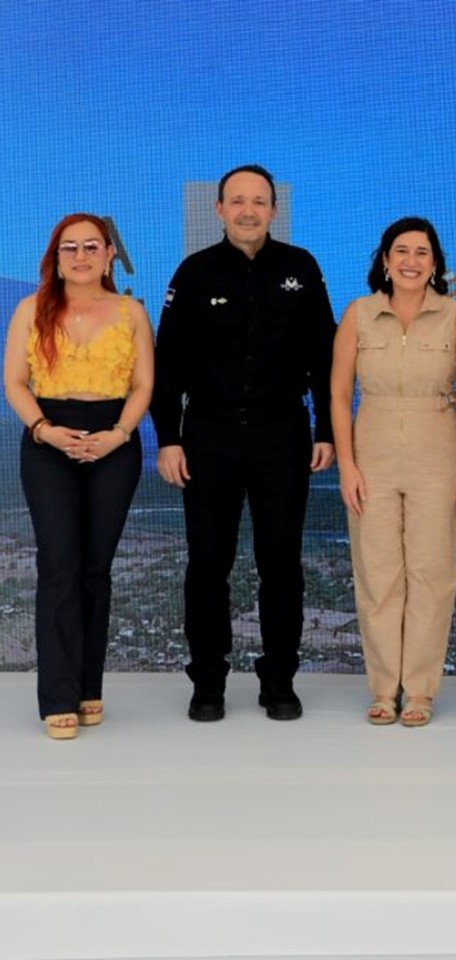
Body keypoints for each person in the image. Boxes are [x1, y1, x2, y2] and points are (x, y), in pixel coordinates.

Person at [152, 164, 336, 722]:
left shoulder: (301, 269)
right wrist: (167, 440)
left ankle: (278, 679)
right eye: (238, 201)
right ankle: (208, 681)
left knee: (280, 563)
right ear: (220, 209)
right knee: (208, 563)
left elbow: (325, 361)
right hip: (208, 437)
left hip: (283, 436)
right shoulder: (194, 272)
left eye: (259, 201)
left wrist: (325, 429)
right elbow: (167, 367)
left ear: (274, 210)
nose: (248, 210)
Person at [3, 214, 154, 739]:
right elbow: (15, 382)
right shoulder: (31, 310)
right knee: (59, 566)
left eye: (92, 246)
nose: (81, 255)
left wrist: (119, 433)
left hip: (114, 440)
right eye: (70, 247)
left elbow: (142, 385)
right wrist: (44, 429)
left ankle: (90, 688)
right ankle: (58, 697)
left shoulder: (132, 311)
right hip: (48, 440)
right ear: (56, 255)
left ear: (110, 254)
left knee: (96, 569)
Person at [331, 217, 456, 727]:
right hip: (371, 445)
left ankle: (419, 690)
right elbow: (336, 395)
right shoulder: (358, 314)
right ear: (385, 260)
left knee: (431, 572)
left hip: (438, 446)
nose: (411, 261)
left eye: (422, 252)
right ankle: (381, 689)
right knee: (377, 573)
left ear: (435, 263)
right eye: (402, 251)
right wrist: (347, 464)